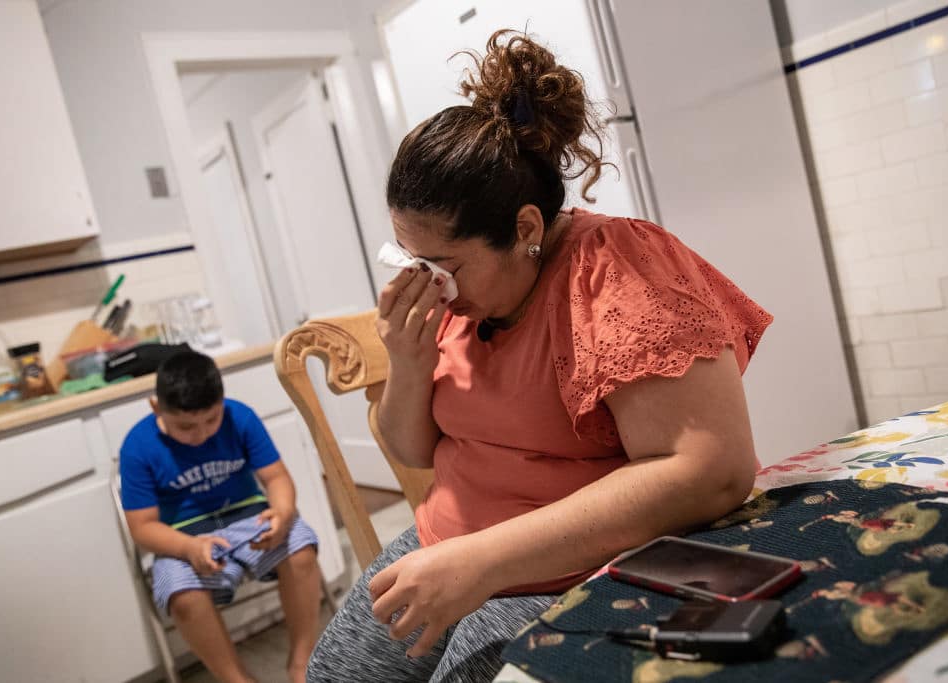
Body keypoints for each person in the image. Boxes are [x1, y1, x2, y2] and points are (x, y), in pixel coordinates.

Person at [308, 29, 773, 682]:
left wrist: (484, 562)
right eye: (411, 260)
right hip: (453, 540)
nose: (427, 283)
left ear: (525, 229)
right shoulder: (462, 301)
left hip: (581, 562)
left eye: (443, 265)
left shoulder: (617, 269)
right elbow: (413, 451)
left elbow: (711, 470)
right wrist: (407, 362)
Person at [120, 350, 323, 683]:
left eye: (211, 420)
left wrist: (283, 513)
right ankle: (237, 680)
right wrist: (187, 548)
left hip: (248, 518)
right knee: (182, 596)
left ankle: (301, 664)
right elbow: (142, 528)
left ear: (222, 401)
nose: (200, 434)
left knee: (301, 549)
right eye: (185, 426)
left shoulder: (240, 417)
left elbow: (276, 478)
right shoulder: (138, 446)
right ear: (156, 407)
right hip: (183, 537)